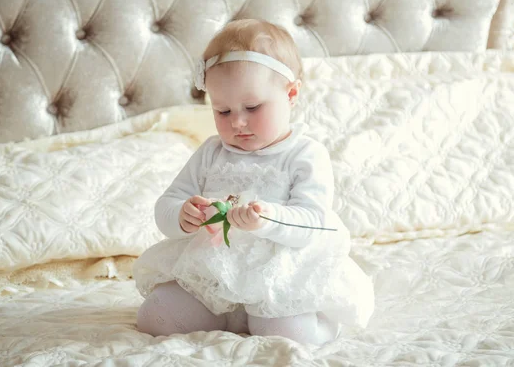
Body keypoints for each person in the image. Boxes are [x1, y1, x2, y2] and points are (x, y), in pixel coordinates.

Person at [133, 19, 374, 346]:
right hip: (213, 273)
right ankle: (228, 315)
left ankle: (321, 325)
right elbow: (167, 204)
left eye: (252, 107)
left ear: (290, 94)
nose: (237, 122)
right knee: (154, 317)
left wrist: (266, 219)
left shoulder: (304, 154)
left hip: (281, 274)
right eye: (222, 110)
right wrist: (182, 216)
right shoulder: (211, 153)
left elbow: (313, 221)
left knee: (287, 335)